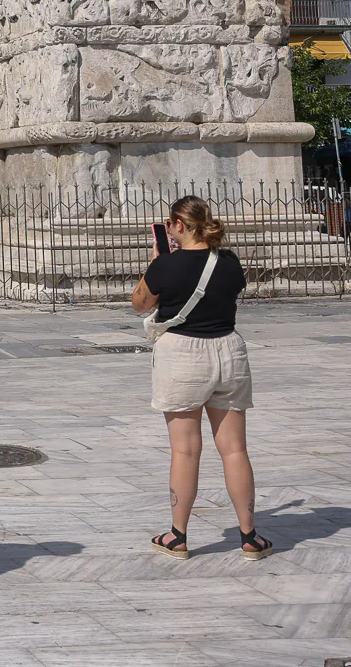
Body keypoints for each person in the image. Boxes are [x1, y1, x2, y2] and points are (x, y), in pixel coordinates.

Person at [131, 195, 271, 561]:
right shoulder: (228, 262)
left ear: (177, 225)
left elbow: (140, 303)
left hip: (182, 354)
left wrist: (155, 264)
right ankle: (249, 536)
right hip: (228, 350)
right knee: (235, 449)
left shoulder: (167, 264)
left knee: (185, 449)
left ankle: (178, 535)